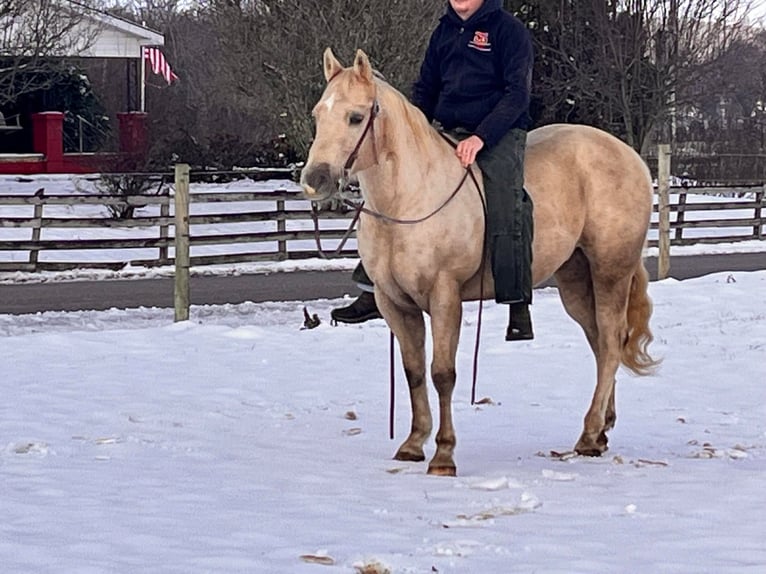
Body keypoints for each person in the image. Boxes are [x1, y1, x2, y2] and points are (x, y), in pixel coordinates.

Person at [331, 0, 535, 341]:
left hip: (498, 133)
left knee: (507, 197)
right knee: (394, 187)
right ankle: (373, 286)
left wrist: (481, 137)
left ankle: (517, 302)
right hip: (447, 127)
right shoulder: (444, 30)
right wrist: (413, 130)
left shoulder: (508, 30)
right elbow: (426, 88)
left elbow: (517, 94)